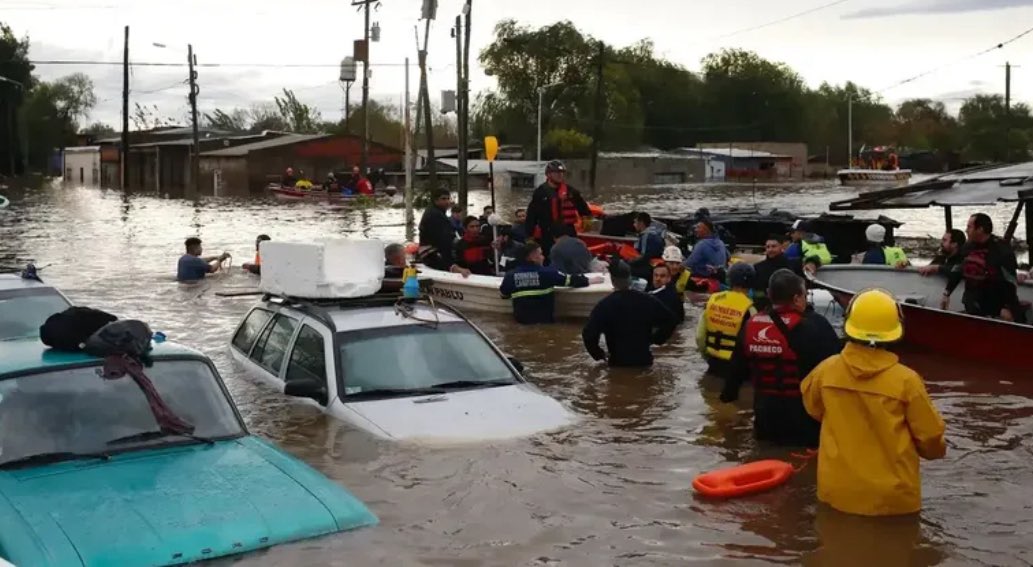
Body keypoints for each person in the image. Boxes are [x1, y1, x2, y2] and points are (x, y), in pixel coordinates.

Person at [802, 289, 946, 516]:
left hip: (837, 492)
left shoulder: (826, 371)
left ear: (849, 324)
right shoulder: (906, 381)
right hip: (893, 500)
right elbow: (931, 440)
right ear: (896, 329)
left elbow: (813, 409)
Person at [721, 269, 842, 447]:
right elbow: (837, 369)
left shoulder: (750, 326)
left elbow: (735, 372)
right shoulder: (815, 326)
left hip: (765, 417)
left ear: (769, 294)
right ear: (797, 298)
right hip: (803, 418)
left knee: (764, 452)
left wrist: (727, 398)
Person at [582, 260, 677, 367]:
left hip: (617, 363)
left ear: (612, 281)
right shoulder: (648, 300)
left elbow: (589, 334)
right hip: (644, 362)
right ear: (630, 279)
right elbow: (671, 320)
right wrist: (656, 339)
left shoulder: (604, 305)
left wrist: (599, 355)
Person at [941, 213, 1023, 322]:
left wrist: (1007, 307)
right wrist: (947, 293)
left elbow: (1011, 282)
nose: (966, 230)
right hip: (973, 303)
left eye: (969, 227)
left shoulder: (1001, 250)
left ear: (980, 229)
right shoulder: (967, 247)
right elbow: (958, 270)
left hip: (996, 304)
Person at [500, 242, 598, 324]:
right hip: (544, 323)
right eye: (540, 254)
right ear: (533, 257)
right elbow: (570, 280)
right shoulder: (548, 273)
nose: (543, 257)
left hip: (521, 324)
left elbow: (503, 295)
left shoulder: (510, 276)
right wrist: (590, 280)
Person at [697, 263, 757, 377]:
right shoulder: (750, 309)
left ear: (729, 280)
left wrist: (706, 355)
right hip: (738, 367)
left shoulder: (713, 300)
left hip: (713, 363)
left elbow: (699, 337)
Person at [525, 160, 592, 257]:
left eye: (561, 172)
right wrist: (530, 235)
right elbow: (531, 215)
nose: (560, 175)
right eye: (556, 173)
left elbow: (583, 208)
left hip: (568, 231)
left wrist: (587, 219)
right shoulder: (540, 192)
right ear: (548, 174)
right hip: (548, 233)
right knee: (549, 257)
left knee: (571, 256)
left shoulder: (571, 192)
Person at [417, 189, 470, 277]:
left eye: (448, 199)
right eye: (443, 199)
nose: (447, 202)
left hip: (431, 249)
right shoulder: (435, 215)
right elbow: (443, 241)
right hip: (430, 252)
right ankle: (454, 268)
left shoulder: (437, 212)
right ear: (436, 200)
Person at [752, 234, 805, 310]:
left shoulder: (793, 264)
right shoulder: (758, 267)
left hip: (791, 308)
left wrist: (812, 262)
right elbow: (757, 292)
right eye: (768, 247)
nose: (770, 249)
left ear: (781, 247)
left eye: (774, 246)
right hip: (766, 308)